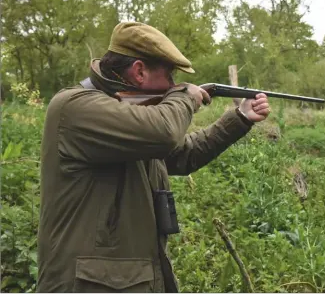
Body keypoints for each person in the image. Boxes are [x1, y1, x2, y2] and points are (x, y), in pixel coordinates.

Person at [37, 22, 271, 292]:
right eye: (170, 76)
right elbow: (164, 132)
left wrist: (240, 118)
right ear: (139, 71)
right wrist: (185, 96)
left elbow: (183, 155)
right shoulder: (76, 107)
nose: (173, 84)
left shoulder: (130, 116)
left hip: (128, 281)